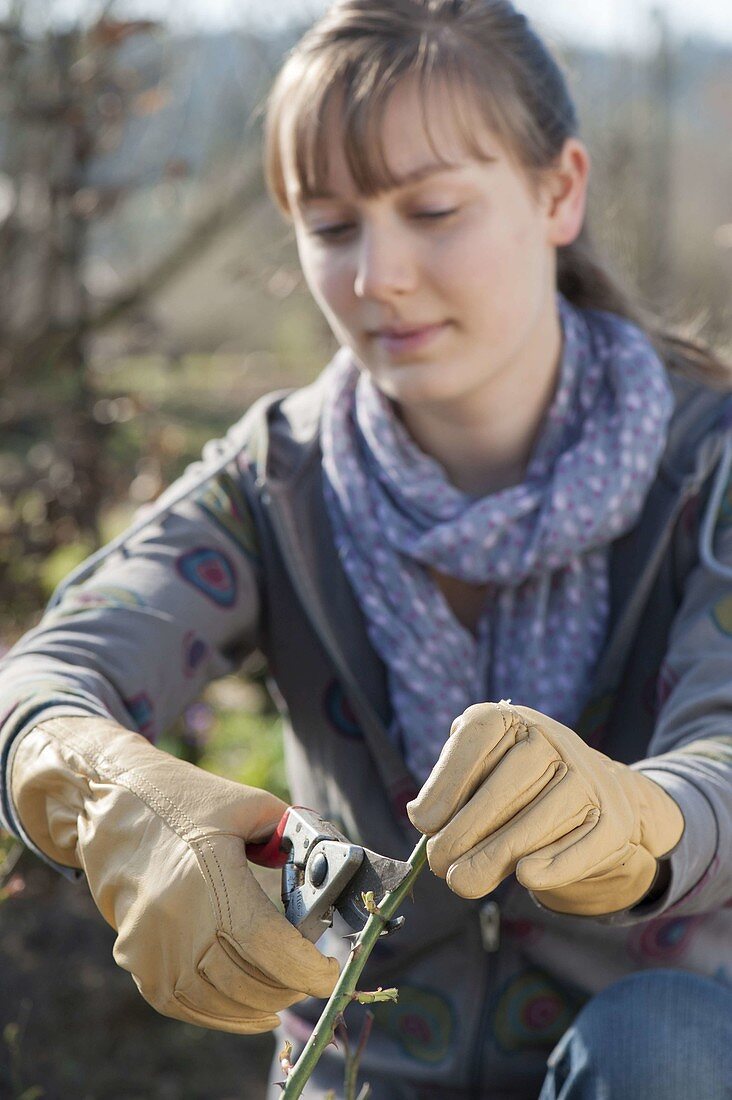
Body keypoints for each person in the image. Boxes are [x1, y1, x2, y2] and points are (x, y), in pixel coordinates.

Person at [1, 1, 731, 1096]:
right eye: (332, 225)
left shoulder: (708, 469)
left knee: (666, 1036)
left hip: (654, 1062)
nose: (375, 276)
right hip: (359, 1069)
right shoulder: (274, 486)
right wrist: (114, 792)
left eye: (433, 209)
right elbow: (48, 679)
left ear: (559, 189)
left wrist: (642, 819)